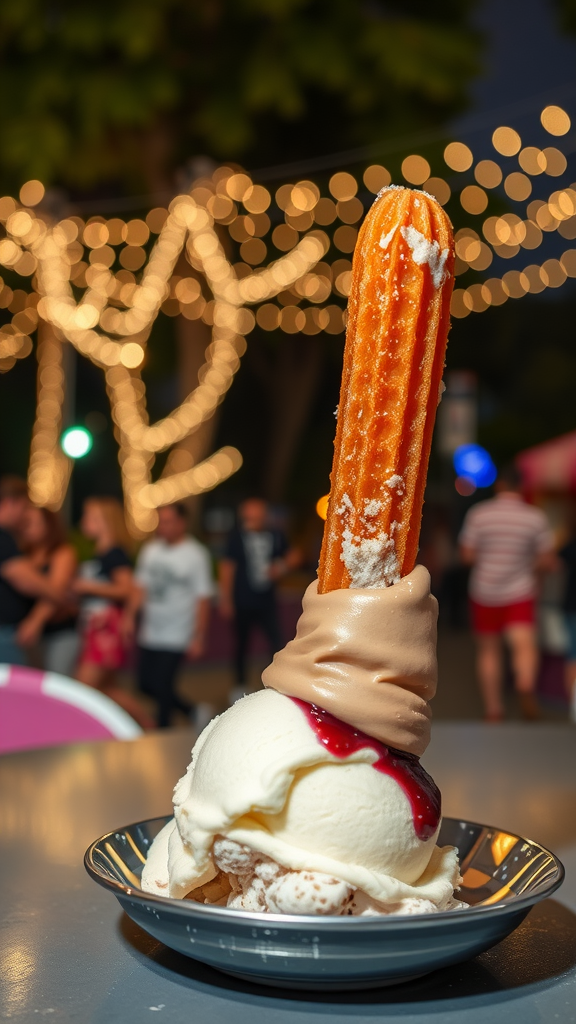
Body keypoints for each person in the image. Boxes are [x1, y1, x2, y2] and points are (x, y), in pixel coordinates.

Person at [459, 464, 556, 722]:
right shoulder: (535, 517)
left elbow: (467, 556)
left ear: (499, 485)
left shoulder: (478, 514)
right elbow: (547, 559)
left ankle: (493, 709)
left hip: (484, 591)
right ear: (521, 486)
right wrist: (528, 565)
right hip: (520, 591)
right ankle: (525, 682)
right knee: (524, 646)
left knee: (489, 651)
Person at [125, 503, 214, 728]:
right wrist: (128, 616)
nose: (162, 526)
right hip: (151, 629)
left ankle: (163, 734)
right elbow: (140, 587)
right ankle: (192, 710)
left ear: (182, 523)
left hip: (178, 632)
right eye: (160, 521)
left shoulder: (196, 555)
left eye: (168, 521)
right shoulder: (150, 550)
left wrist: (199, 636)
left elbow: (202, 598)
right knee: (145, 684)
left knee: (163, 686)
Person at [219, 498, 300, 702]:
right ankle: (239, 685)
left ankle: (278, 682)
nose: (250, 521)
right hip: (242, 601)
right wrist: (226, 599)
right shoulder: (236, 537)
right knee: (241, 645)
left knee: (276, 642)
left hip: (266, 601)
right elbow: (227, 568)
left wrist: (280, 568)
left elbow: (295, 555)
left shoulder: (276, 535)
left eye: (255, 517)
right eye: (247, 517)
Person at [0, 476, 68, 665]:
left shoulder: (61, 552)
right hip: (7, 633)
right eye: (24, 509)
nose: (24, 518)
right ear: (10, 503)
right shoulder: (4, 539)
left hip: (52, 633)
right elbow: (24, 579)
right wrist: (62, 597)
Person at [73, 497, 134, 690]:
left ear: (106, 521)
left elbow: (126, 589)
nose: (84, 522)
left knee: (84, 689)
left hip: (106, 628)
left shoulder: (114, 553)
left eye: (91, 517)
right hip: (95, 626)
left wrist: (87, 586)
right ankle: (145, 721)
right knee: (108, 691)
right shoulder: (99, 552)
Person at [16, 505, 80, 676]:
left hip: (60, 630)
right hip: (30, 635)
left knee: (57, 681)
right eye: (24, 523)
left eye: (32, 523)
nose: (26, 528)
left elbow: (56, 590)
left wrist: (35, 621)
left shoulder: (63, 553)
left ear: (49, 525)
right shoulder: (23, 554)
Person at [559, 524, 576, 723]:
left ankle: (573, 707)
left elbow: (554, 562)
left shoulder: (571, 544)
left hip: (572, 604)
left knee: (573, 655)